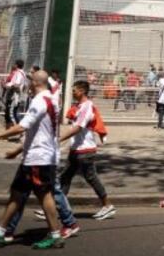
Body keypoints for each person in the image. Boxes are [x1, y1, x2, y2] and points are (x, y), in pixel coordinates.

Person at [0, 71, 65, 249]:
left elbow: (23, 126)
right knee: (17, 193)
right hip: (34, 156)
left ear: (35, 83)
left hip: (38, 158)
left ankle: (55, 235)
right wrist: (18, 150)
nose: (28, 85)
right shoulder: (51, 99)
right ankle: (0, 232)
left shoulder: (40, 101)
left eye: (30, 81)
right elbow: (39, 131)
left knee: (44, 195)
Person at [59, 80, 116, 221]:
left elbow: (78, 128)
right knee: (65, 178)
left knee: (91, 178)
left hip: (85, 150)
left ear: (82, 91)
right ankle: (57, 206)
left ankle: (107, 206)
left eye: (75, 90)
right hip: (76, 149)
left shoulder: (87, 107)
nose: (72, 92)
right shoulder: (79, 106)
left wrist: (58, 140)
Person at [2, 60, 27, 129]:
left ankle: (18, 130)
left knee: (11, 114)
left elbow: (16, 85)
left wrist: (6, 86)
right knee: (12, 113)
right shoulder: (23, 73)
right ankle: (13, 130)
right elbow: (23, 86)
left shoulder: (18, 73)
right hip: (16, 95)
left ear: (16, 65)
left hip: (14, 95)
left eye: (14, 64)